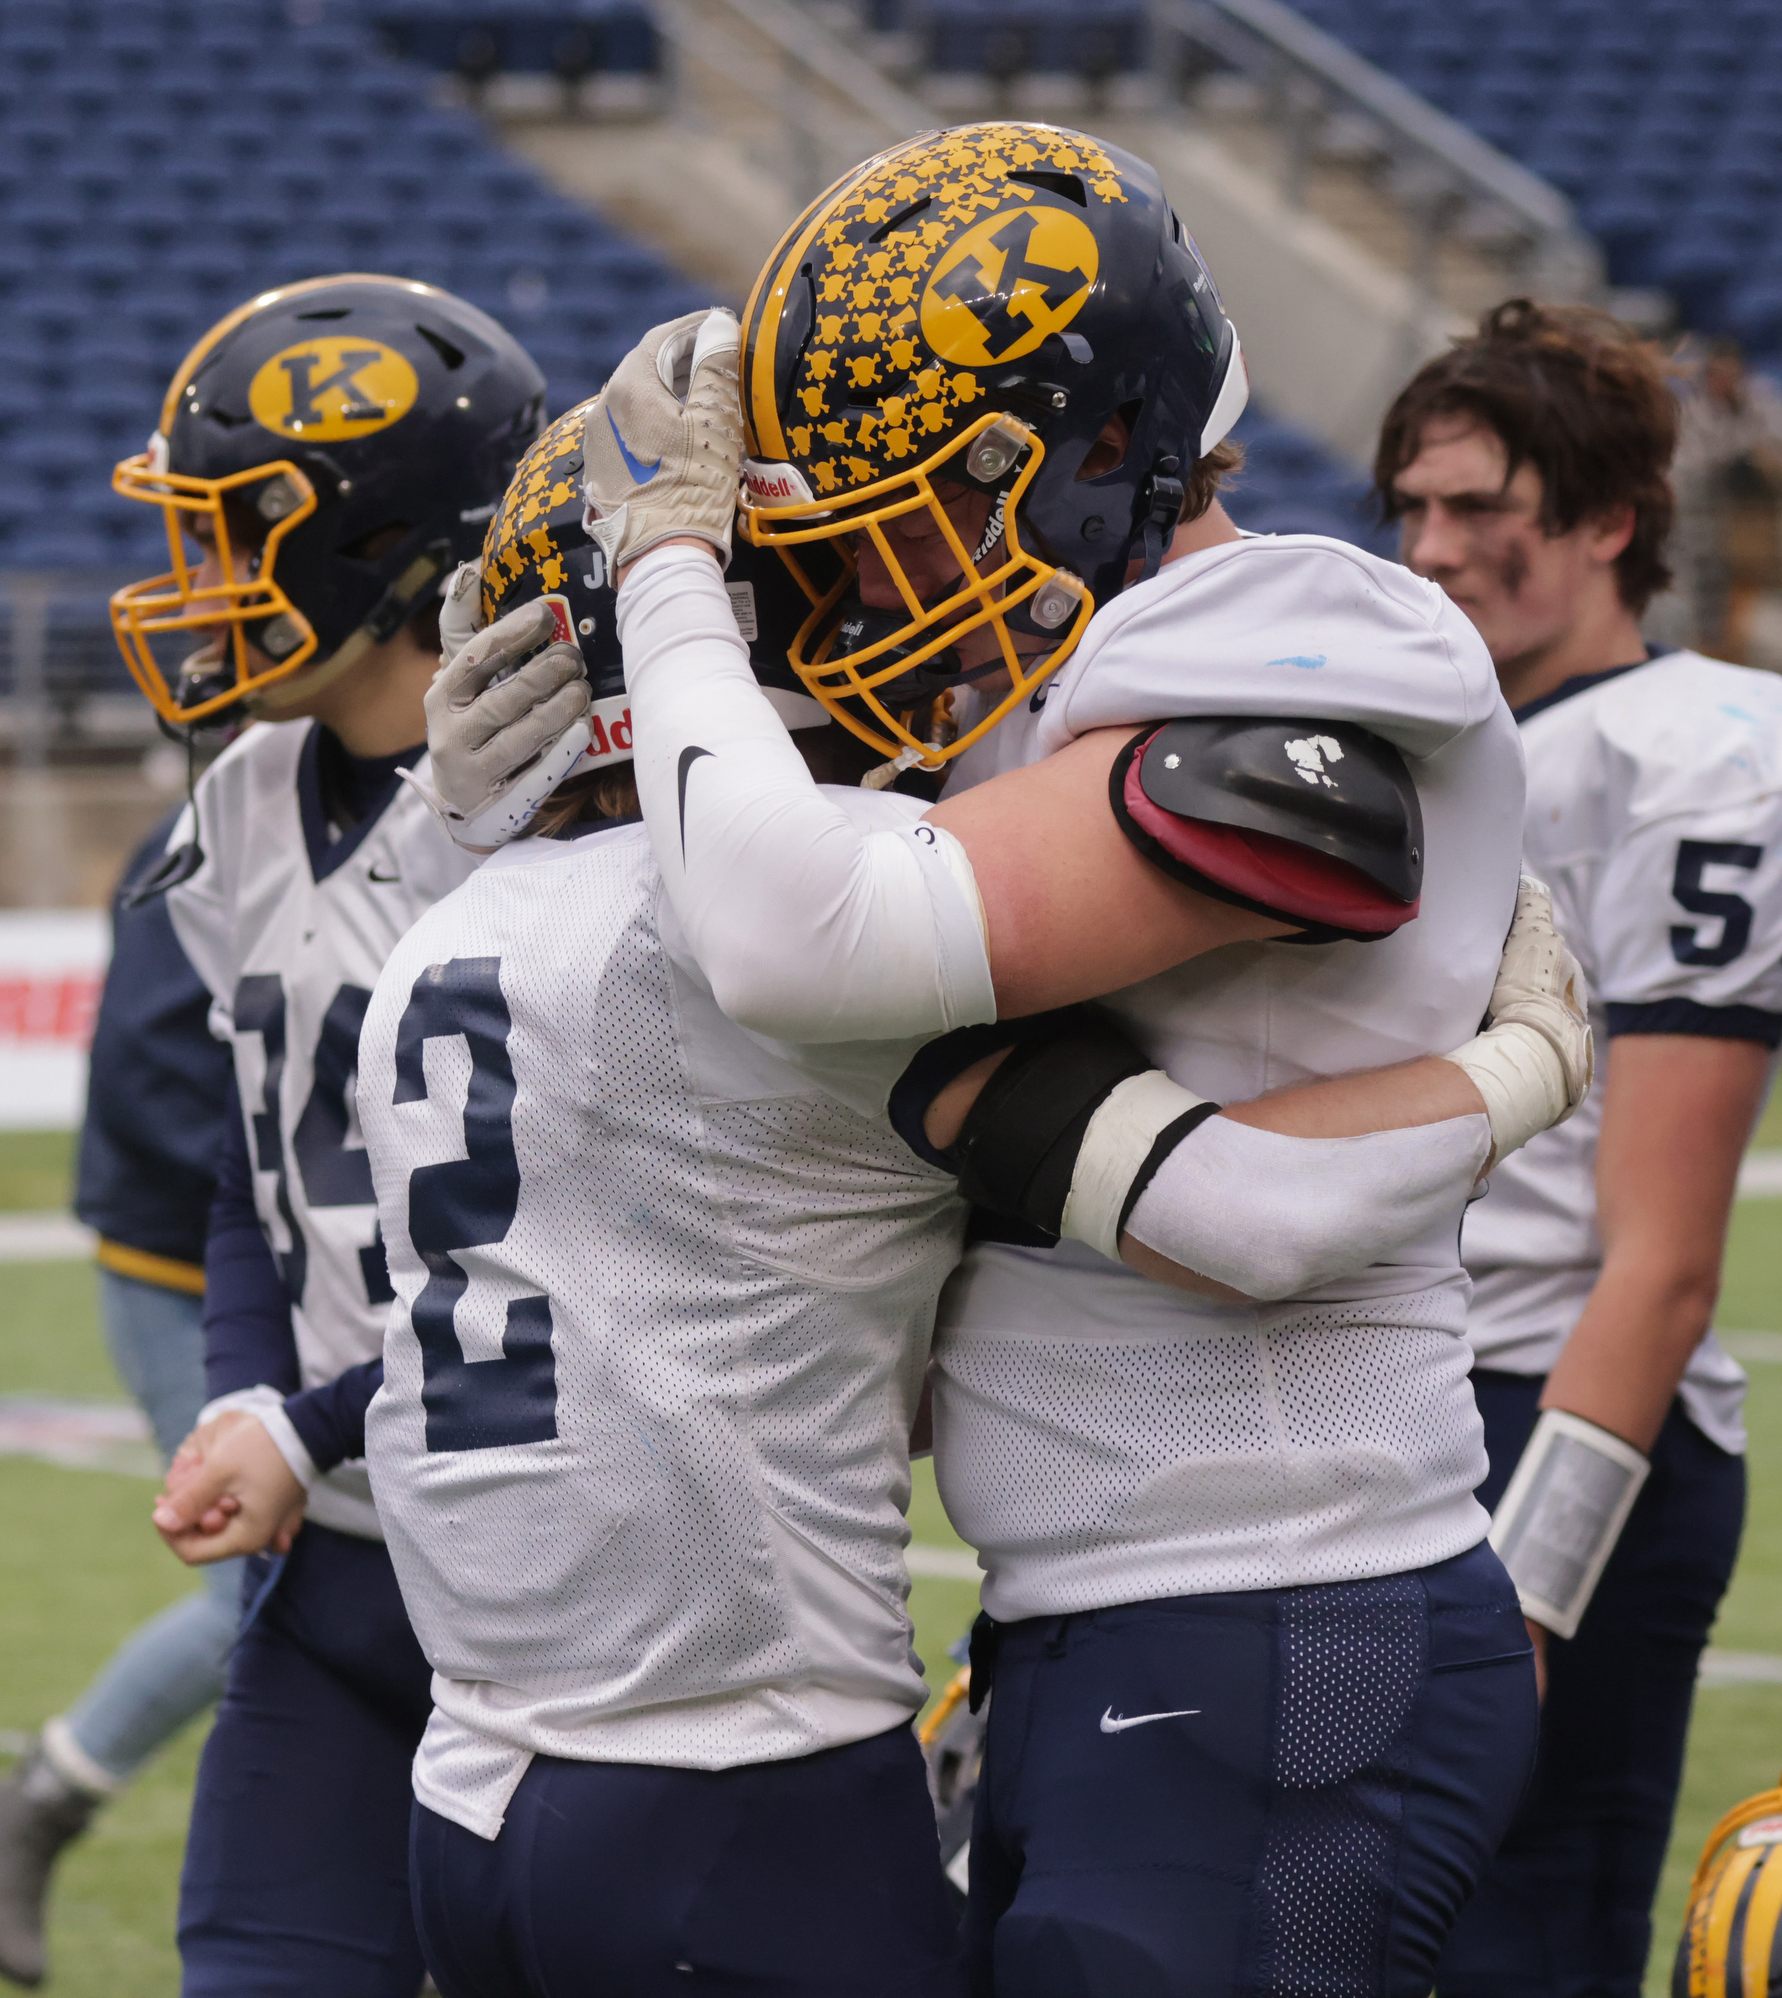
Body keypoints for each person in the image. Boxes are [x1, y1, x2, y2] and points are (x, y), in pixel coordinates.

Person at [153, 299, 1587, 1994]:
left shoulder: (441, 937)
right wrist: (1527, 1066)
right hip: (747, 1774)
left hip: (482, 1771)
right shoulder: (785, 943)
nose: (882, 601)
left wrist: (469, 817)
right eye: (828, 571)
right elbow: (1245, 1206)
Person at [104, 271, 548, 1997]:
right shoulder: (245, 798)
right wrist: (243, 1397)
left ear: (383, 554)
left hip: (555, 1573)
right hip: (339, 1585)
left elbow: (565, 1252)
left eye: (234, 540)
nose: (197, 590)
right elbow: (252, 1164)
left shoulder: (563, 818)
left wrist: (303, 1425)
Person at [1377, 298, 1782, 1998]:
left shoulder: (1693, 754)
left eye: (1481, 509)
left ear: (1608, 522)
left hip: (1561, 1413)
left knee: (1518, 1947)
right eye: (1410, 507)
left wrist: (1525, 1591)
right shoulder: (1434, 745)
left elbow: (1664, 1257)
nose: (1432, 547)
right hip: (1401, 1404)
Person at [0, 810, 234, 1989]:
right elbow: (151, 1071)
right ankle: (40, 1802)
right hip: (188, 1270)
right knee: (267, 1588)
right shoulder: (215, 823)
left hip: (319, 1279)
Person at [1670, 336, 1782, 665]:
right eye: (1716, 374)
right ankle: (1708, 645)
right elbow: (1688, 467)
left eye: (1729, 373)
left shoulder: (1761, 398)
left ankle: (1735, 641)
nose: (1723, 381)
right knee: (1702, 578)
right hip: (1703, 508)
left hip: (1755, 508)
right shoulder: (1694, 408)